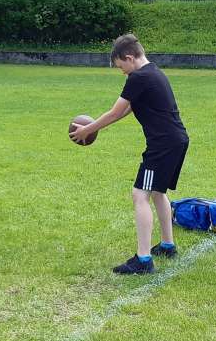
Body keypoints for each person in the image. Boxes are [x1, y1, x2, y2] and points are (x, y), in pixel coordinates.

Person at [70, 34, 189, 275]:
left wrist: (87, 130)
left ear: (129, 57)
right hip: (176, 140)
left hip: (162, 145)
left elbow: (115, 112)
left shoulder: (139, 77)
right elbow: (130, 107)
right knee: (158, 192)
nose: (121, 71)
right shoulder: (153, 72)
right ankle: (167, 245)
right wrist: (98, 126)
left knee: (140, 194)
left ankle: (143, 260)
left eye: (120, 67)